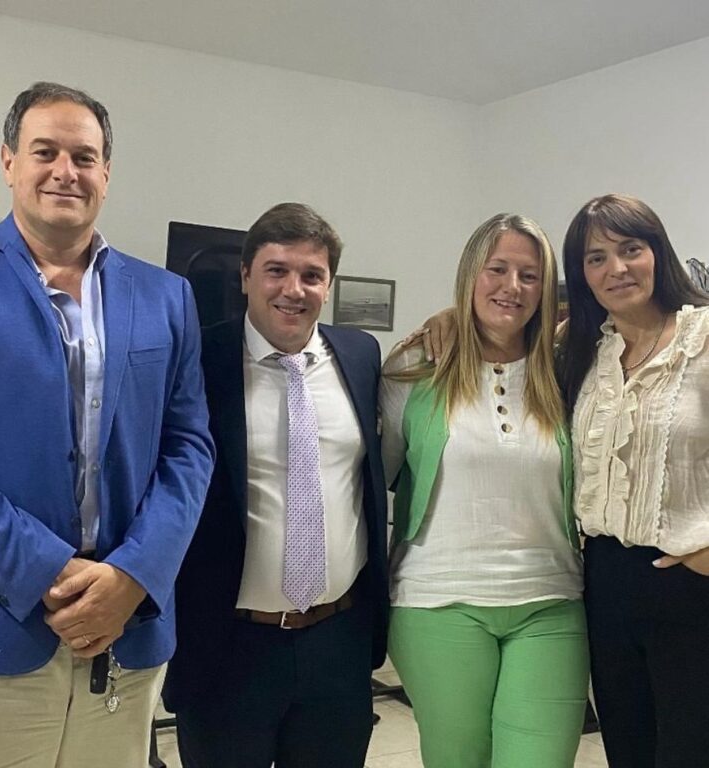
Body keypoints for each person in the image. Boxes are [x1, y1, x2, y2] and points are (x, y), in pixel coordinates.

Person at [0, 81, 215, 768]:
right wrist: (47, 570)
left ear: (106, 172)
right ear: (8, 161)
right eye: (45, 152)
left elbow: (188, 449)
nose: (65, 171)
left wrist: (133, 575)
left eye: (84, 156)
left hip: (128, 630)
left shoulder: (166, 296)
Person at [164, 202, 389, 768]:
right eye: (276, 271)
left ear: (328, 285)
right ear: (246, 276)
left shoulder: (360, 355)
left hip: (337, 640)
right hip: (227, 645)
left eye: (312, 275)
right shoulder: (198, 359)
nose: (294, 289)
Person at [380, 213, 589, 768]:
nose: (511, 286)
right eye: (497, 269)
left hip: (551, 603)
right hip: (437, 602)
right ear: (470, 273)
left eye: (529, 275)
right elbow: (377, 478)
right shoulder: (415, 367)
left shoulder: (566, 371)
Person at [558, 194, 709, 768]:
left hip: (690, 582)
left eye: (630, 249)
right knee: (629, 749)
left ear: (657, 253)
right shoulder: (579, 350)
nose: (616, 268)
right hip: (604, 583)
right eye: (596, 258)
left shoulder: (702, 338)